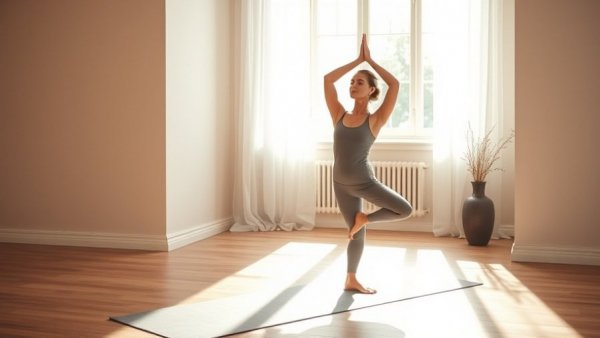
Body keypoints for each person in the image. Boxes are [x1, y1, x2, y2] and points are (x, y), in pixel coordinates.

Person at [323, 34, 413, 294]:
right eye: (351, 82)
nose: (352, 84)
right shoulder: (339, 114)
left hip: (364, 182)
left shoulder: (375, 120)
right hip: (340, 184)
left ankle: (366, 218)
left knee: (404, 209)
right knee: (354, 231)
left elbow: (395, 84)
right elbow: (328, 80)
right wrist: (356, 61)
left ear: (371, 90)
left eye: (359, 82)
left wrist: (370, 61)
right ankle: (351, 278)